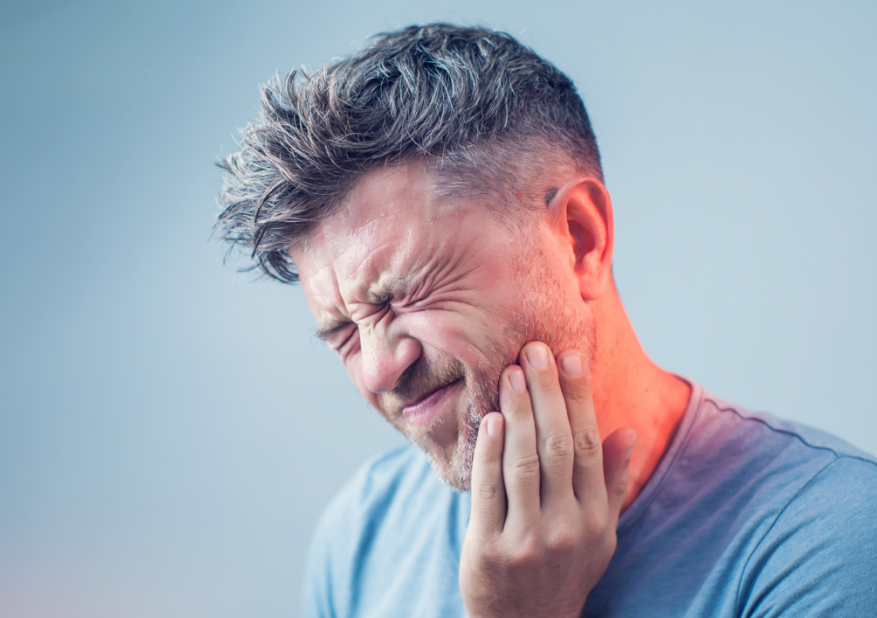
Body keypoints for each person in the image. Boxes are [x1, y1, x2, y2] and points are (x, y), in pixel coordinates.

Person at [214, 23, 877, 618]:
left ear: (579, 239)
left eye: (403, 295)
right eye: (342, 333)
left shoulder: (832, 545)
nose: (381, 367)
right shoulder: (361, 533)